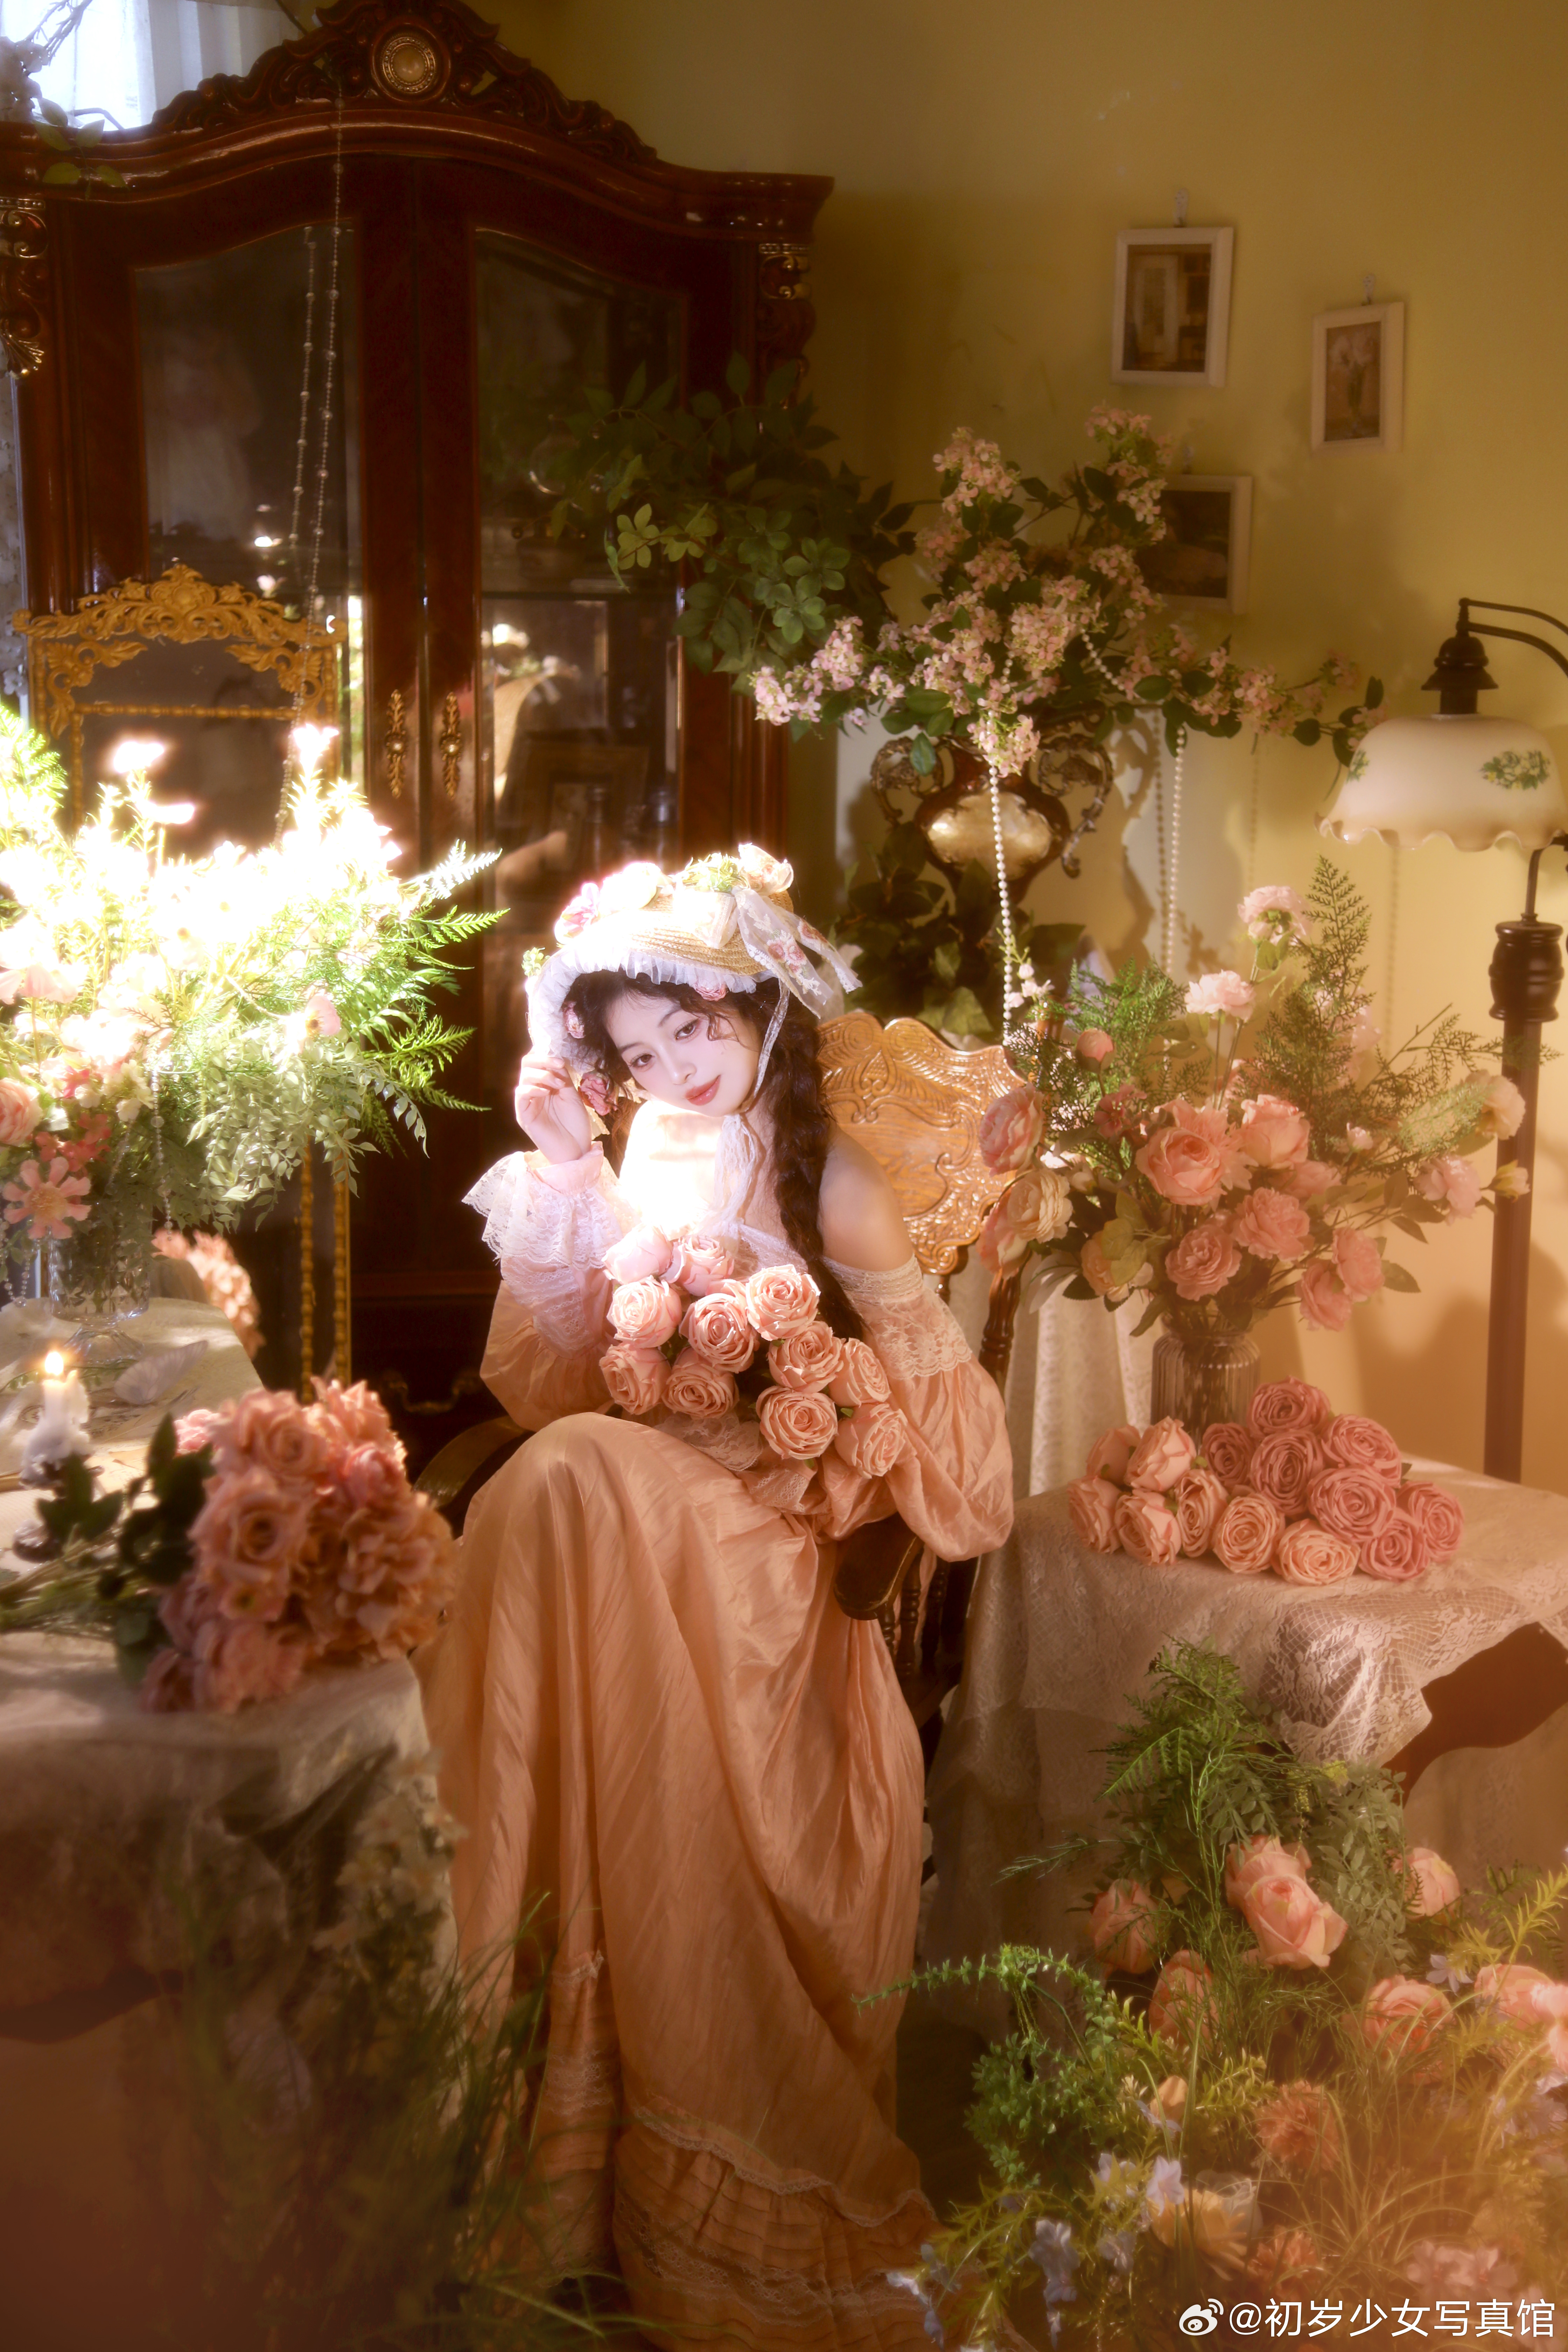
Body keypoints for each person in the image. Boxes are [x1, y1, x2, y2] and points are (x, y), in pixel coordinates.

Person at [415, 845, 1014, 2349]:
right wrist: (564, 1171)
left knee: (559, 1485)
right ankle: (509, 2063)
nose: (673, 1069)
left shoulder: (841, 1174)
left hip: (771, 1558)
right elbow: (549, 1382)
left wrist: (829, 1400)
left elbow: (975, 1492)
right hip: (638, 1520)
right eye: (633, 1052)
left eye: (694, 1026)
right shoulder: (655, 1150)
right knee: (563, 1478)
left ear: (755, 1003)